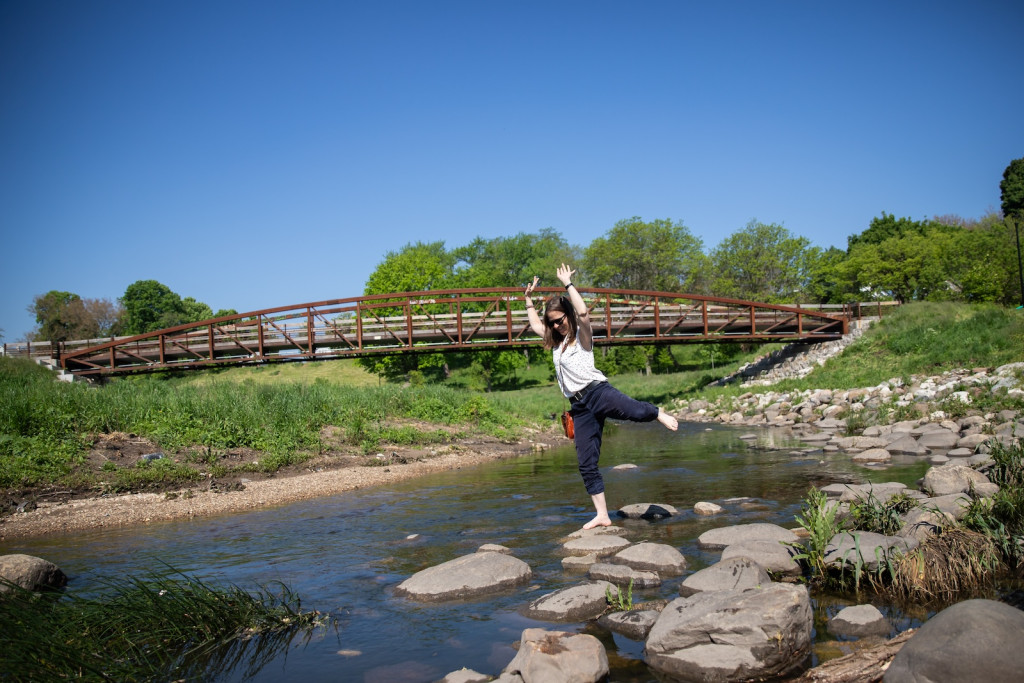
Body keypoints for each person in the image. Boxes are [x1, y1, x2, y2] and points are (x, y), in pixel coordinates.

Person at [524, 264, 679, 530]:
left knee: (637, 412)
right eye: (553, 322)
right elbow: (536, 324)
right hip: (579, 407)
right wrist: (527, 299)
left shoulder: (582, 337)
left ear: (568, 317)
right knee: (586, 462)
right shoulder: (556, 343)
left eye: (560, 320)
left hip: (598, 392)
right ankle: (602, 515)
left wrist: (568, 285)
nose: (556, 325)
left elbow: (583, 313)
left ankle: (658, 413)